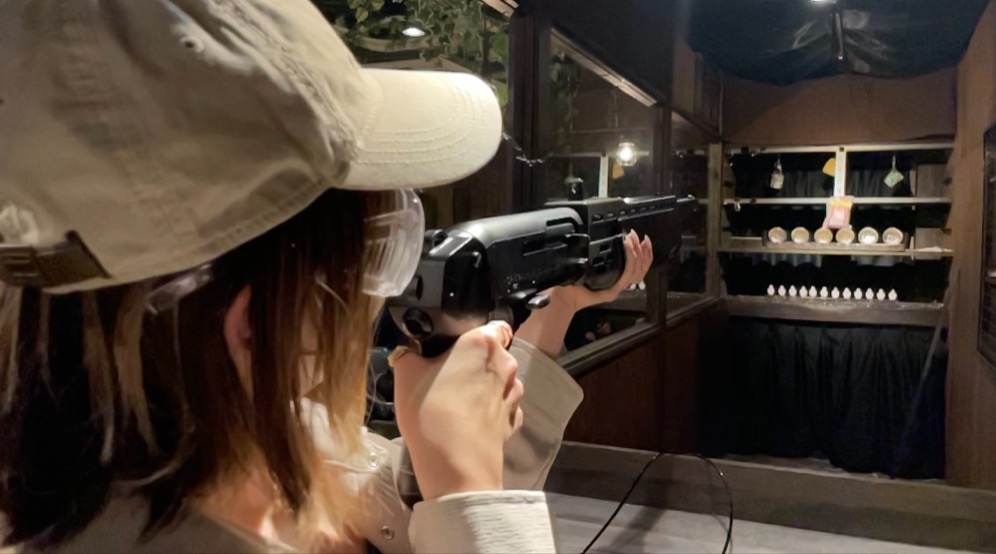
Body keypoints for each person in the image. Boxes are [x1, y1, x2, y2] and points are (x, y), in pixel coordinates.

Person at [0, 1, 654, 553]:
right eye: (374, 253)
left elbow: (424, 499)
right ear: (254, 326)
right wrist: (473, 500)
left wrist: (555, 311)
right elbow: (455, 500)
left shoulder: (266, 432)